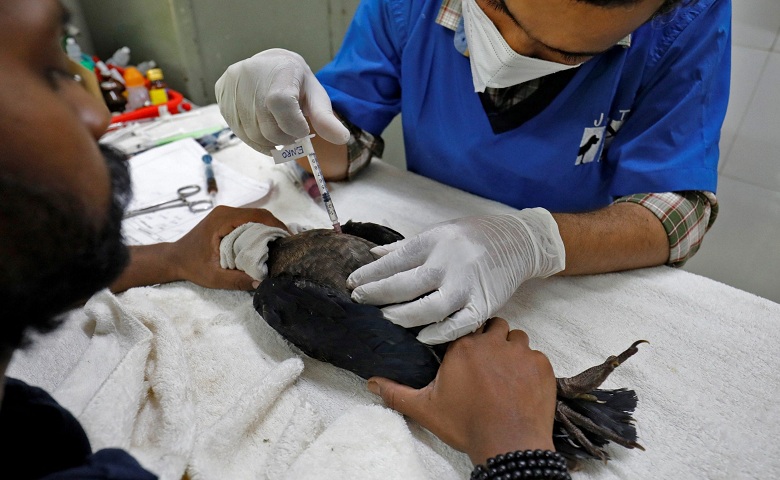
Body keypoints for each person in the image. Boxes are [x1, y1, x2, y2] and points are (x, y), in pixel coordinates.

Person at [0, 1, 569, 478]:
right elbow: (347, 141)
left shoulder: (32, 427)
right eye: (50, 73)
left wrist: (168, 256)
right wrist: (516, 458)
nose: (98, 116)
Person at [216, 0, 731, 345]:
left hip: (573, 276)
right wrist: (294, 123)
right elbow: (342, 152)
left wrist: (534, 242)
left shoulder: (688, 15)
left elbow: (677, 213)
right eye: (497, 10)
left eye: (564, 55)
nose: (512, 51)